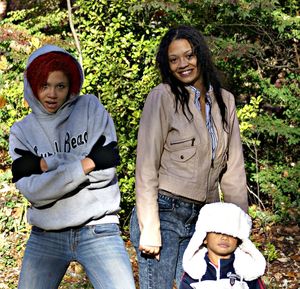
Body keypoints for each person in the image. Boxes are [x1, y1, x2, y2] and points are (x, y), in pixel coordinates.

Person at [130, 25, 249, 289]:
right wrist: (149, 227)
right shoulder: (162, 97)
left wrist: (240, 228)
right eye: (174, 59)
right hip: (164, 212)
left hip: (205, 220)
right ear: (167, 64)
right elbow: (146, 168)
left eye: (189, 55)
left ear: (201, 55)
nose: (183, 64)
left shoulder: (225, 101)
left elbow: (233, 173)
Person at [9, 44, 136, 289]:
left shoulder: (90, 108)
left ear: (71, 87)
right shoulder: (22, 131)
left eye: (60, 86)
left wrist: (48, 165)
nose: (52, 94)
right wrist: (86, 162)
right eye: (44, 85)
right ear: (32, 85)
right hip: (46, 234)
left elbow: (106, 170)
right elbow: (35, 192)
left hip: (98, 228)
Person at [180, 202, 266, 289]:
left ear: (239, 240)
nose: (225, 237)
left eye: (231, 234)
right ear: (204, 238)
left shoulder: (247, 270)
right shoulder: (195, 270)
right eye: (218, 232)